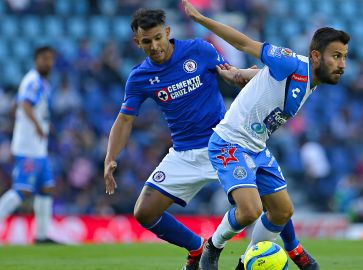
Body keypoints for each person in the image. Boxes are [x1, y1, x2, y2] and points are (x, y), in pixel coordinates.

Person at [104, 8, 317, 270]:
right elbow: (125, 119)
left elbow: (226, 72)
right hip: (184, 154)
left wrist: (238, 76)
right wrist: (110, 158)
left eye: (158, 37)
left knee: (268, 201)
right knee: (145, 212)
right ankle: (197, 247)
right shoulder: (139, 77)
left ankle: (294, 248)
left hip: (226, 141)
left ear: (167, 33)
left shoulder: (199, 50)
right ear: (138, 43)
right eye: (147, 41)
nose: (155, 46)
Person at [182, 1, 349, 270]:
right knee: (250, 210)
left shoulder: (312, 82)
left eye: (344, 57)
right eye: (336, 56)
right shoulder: (290, 62)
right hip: (230, 142)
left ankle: (245, 262)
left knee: (283, 211)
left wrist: (241, 75)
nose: (342, 64)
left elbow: (266, 78)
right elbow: (244, 44)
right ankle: (212, 247)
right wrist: (201, 19)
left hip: (257, 148)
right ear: (316, 56)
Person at [0, 46, 58, 244]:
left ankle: (41, 236)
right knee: (23, 190)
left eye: (50, 58)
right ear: (35, 60)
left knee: (47, 188)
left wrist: (44, 122)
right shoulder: (32, 80)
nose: (47, 62)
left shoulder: (43, 83)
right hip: (28, 147)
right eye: (44, 58)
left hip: (38, 148)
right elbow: (24, 104)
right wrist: (36, 125)